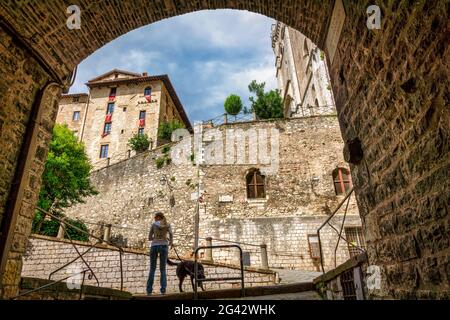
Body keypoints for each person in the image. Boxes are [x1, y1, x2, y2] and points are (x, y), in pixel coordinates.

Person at [146, 211, 173, 295]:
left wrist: (155, 237)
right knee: (163, 269)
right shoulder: (167, 224)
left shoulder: (153, 225)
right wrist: (170, 242)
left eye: (155, 217)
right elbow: (171, 234)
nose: (154, 218)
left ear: (158, 217)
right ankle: (163, 290)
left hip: (154, 246)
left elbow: (149, 238)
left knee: (152, 269)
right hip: (164, 246)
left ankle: (149, 290)